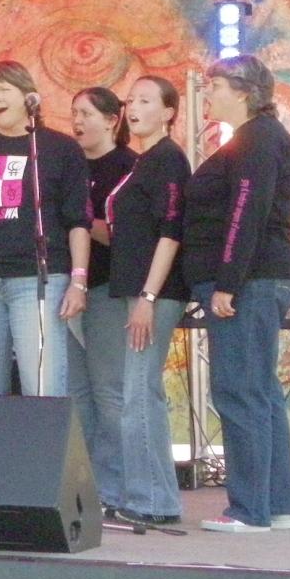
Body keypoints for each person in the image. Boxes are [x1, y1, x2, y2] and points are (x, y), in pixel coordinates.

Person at [183, 55, 290, 533]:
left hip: (249, 280)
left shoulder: (256, 140)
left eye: (213, 86)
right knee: (260, 390)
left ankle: (249, 509)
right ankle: (275, 505)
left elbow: (245, 213)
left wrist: (227, 283)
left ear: (243, 90)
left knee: (238, 389)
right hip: (260, 276)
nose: (206, 94)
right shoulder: (258, 139)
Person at [0, 60, 90, 397]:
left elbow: (77, 222)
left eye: (4, 89)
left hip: (37, 281)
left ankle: (43, 451)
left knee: (43, 382)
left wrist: (79, 281)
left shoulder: (60, 149)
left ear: (28, 96)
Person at [105, 75, 190, 525]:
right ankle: (149, 496)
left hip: (153, 293)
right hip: (136, 290)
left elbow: (171, 232)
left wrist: (148, 295)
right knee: (138, 393)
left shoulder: (167, 161)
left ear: (170, 113)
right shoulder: (144, 162)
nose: (133, 107)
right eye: (130, 100)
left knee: (138, 396)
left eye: (144, 100)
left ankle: (152, 500)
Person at [68, 87, 137, 515]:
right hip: (68, 290)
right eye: (73, 113)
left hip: (108, 288)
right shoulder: (66, 163)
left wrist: (78, 220)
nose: (77, 121)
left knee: (109, 391)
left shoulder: (127, 167)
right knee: (76, 393)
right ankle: (85, 484)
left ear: (112, 119)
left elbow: (123, 236)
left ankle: (116, 486)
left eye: (86, 113)